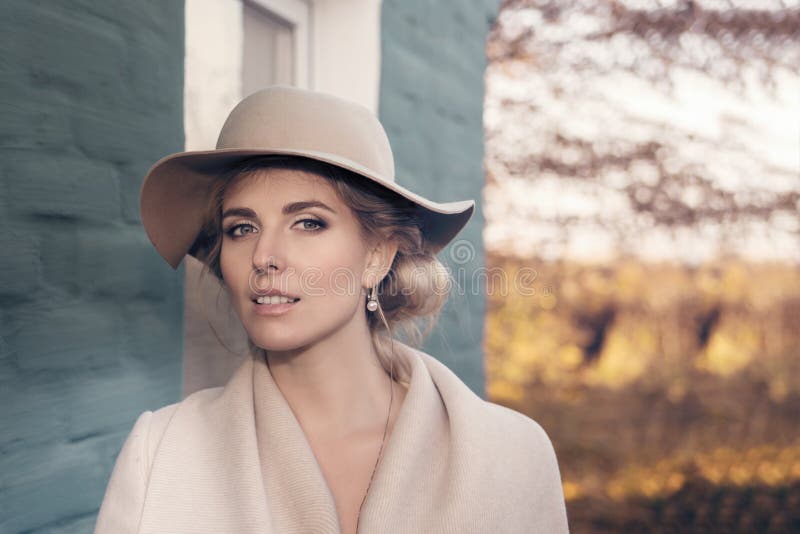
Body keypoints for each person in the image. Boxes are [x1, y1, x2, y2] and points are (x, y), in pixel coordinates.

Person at [94, 85, 570, 534]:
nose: (264, 256)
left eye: (307, 222)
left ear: (377, 256)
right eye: (242, 228)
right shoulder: (159, 454)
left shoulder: (513, 455)